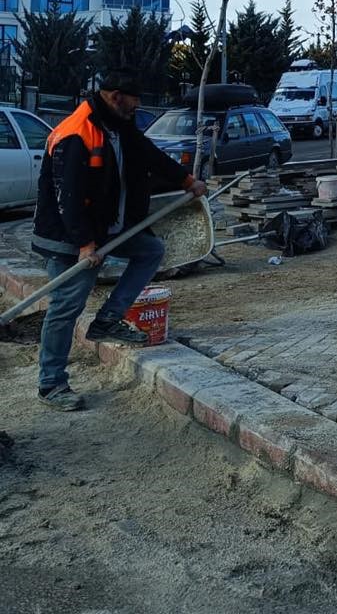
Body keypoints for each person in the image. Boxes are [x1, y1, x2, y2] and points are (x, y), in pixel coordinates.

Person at [32, 69, 208, 411]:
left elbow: (149, 154)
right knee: (66, 307)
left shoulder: (118, 126)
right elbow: (67, 195)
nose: (138, 105)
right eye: (134, 99)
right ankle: (51, 383)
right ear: (114, 97)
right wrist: (85, 243)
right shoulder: (76, 133)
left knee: (150, 250)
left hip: (105, 230)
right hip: (69, 236)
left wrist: (186, 180)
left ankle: (108, 319)